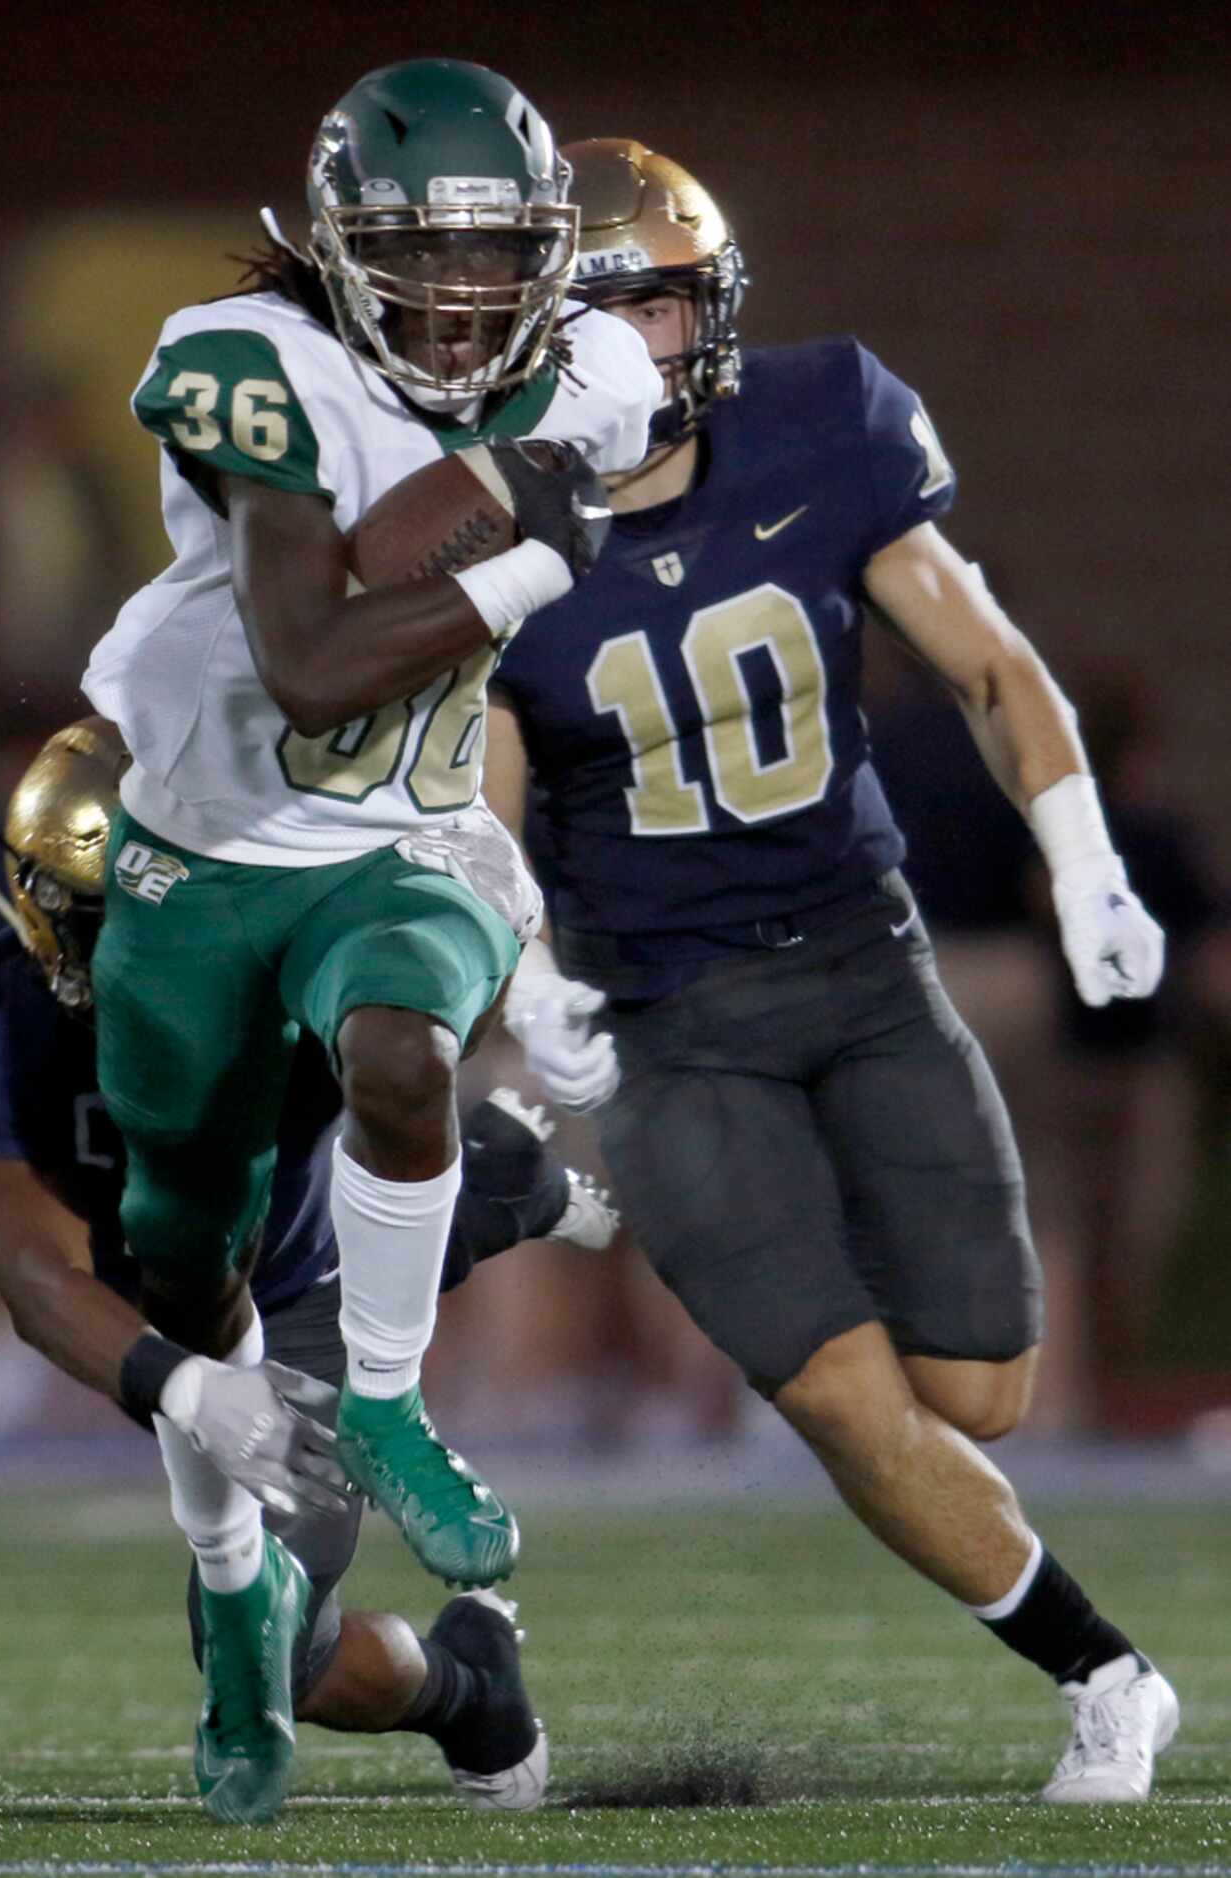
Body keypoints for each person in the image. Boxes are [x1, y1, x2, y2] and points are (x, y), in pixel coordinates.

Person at [484, 139, 1177, 1804]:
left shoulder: (829, 421)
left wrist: (1083, 856)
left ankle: (832, 1282)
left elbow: (990, 665)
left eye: (666, 300)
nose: (647, 342)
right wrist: (525, 981)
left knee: (978, 1391)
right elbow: (478, 813)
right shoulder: (483, 525)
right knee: (850, 1402)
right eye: (608, 306)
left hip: (867, 967)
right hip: (669, 1020)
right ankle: (1108, 1676)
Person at [77, 59, 659, 1820]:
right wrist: (524, 551)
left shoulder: (605, 369)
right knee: (183, 1268)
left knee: (401, 1047)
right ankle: (242, 1576)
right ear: (335, 249)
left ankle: (396, 1399)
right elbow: (316, 661)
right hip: (204, 860)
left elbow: (651, 446)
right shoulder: (256, 367)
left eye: (502, 258)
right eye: (425, 253)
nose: (467, 297)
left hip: (399, 845)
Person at [0, 717, 619, 1820]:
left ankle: (465, 1684)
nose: (155, 942)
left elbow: (425, 991)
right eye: (123, 913)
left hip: (300, 1306)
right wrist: (188, 1389)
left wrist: (525, 979)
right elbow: (32, 1273)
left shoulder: (279, 934)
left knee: (264, 1656)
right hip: (168, 1322)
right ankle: (463, 1680)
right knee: (294, 1651)